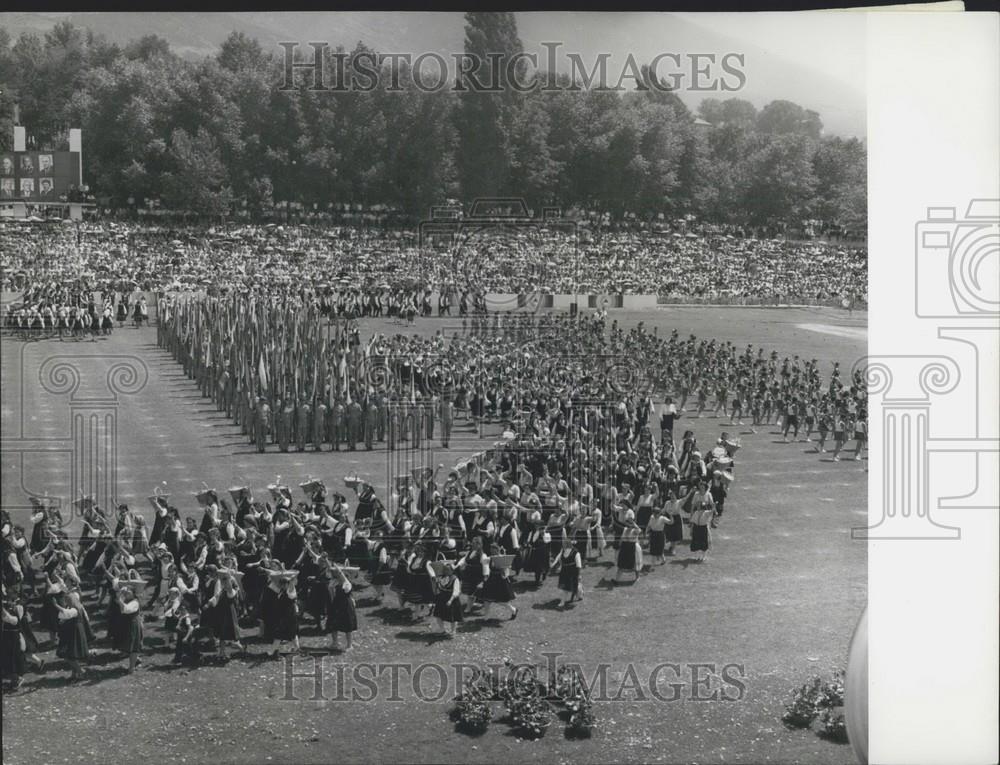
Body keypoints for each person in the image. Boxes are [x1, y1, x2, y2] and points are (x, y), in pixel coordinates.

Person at [325, 563, 357, 651]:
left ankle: (349, 645)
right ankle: (335, 643)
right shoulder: (335, 583)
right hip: (336, 604)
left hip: (346, 606)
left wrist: (339, 571)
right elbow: (332, 595)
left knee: (347, 625)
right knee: (333, 624)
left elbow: (343, 578)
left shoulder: (347, 584)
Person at [430, 561, 462, 636]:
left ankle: (453, 631)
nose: (446, 571)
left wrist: (450, 600)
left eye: (448, 570)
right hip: (442, 598)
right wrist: (434, 583)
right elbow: (437, 590)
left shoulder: (455, 579)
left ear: (452, 570)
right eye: (445, 569)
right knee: (438, 615)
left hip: (451, 599)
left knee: (453, 617)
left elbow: (456, 591)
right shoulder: (442, 578)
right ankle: (442, 629)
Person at [553, 536, 582, 608]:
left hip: (573, 571)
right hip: (564, 571)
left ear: (568, 544)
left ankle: (579, 594)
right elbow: (559, 558)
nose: (563, 545)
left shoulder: (576, 552)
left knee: (575, 585)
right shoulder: (563, 551)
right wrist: (557, 565)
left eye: (564, 543)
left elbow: (579, 565)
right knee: (565, 587)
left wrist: (579, 575)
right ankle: (562, 602)